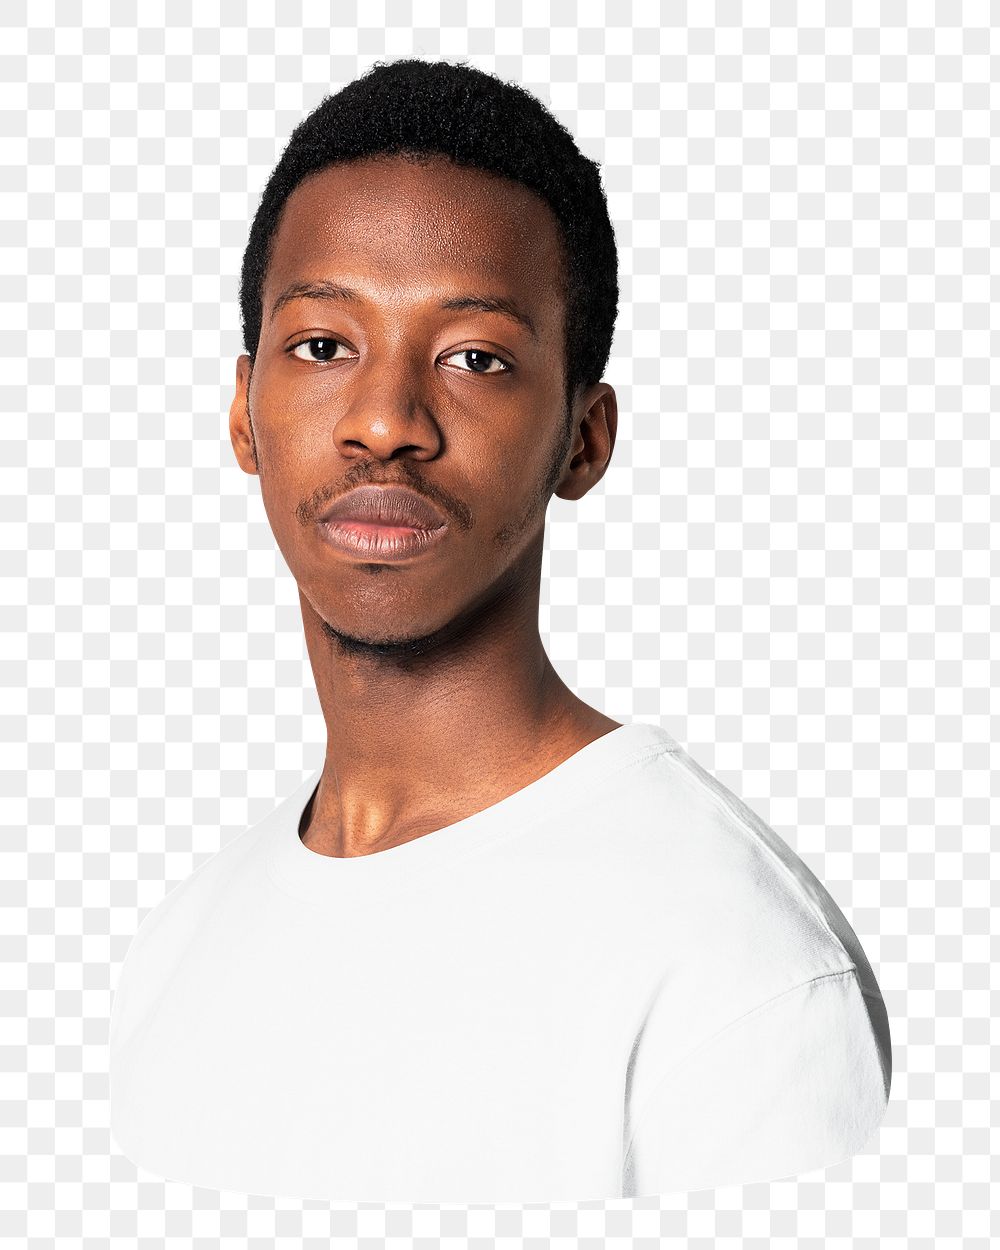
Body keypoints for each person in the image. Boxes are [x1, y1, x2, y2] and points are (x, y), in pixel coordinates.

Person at [108, 58, 891, 1205]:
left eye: (475, 357)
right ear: (243, 413)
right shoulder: (182, 939)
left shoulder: (736, 978)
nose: (384, 420)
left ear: (583, 436)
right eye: (324, 345)